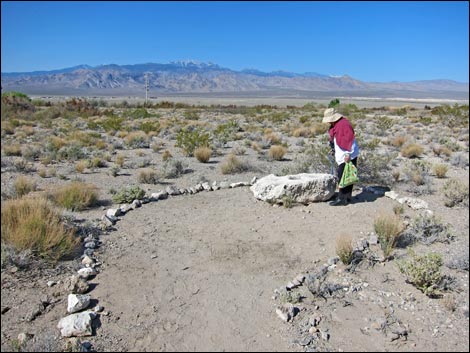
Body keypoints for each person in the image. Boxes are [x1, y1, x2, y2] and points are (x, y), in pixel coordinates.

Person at [322, 108, 360, 206]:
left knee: (343, 176)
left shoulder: (343, 125)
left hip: (347, 155)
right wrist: (333, 148)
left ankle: (342, 198)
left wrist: (348, 153)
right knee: (347, 176)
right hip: (343, 154)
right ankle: (346, 197)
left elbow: (349, 139)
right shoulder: (336, 125)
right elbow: (337, 139)